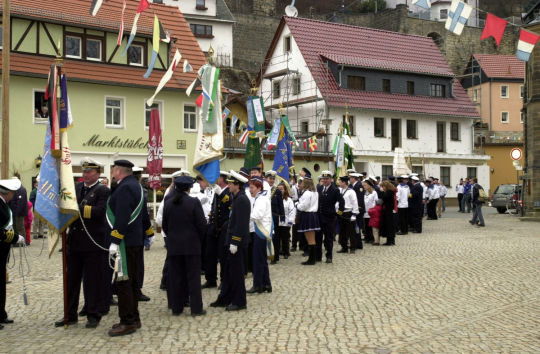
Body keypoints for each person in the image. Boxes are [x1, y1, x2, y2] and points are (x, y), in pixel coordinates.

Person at [54, 158, 111, 329]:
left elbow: (100, 212)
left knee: (92, 281)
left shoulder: (103, 191)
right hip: (75, 243)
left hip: (93, 243)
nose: (85, 175)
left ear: (97, 174)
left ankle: (93, 314)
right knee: (71, 281)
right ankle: (70, 315)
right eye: (84, 172)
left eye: (89, 172)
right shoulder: (76, 188)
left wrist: (76, 209)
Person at [106, 160, 153, 337]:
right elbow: (143, 214)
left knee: (123, 281)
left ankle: (127, 321)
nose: (111, 172)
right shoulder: (135, 185)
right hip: (134, 241)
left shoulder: (125, 188)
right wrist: (148, 232)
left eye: (113, 169)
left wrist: (115, 240)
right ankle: (134, 317)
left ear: (118, 171)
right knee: (131, 281)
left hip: (124, 243)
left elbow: (123, 215)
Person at [162, 176, 207, 316]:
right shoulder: (193, 202)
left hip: (174, 246)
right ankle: (196, 308)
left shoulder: (168, 202)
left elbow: (165, 225)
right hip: (191, 246)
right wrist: (198, 239)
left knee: (175, 277)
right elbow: (201, 225)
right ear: (189, 188)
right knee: (193, 278)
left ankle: (176, 308)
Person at [210, 170, 250, 311]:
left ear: (237, 185)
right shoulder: (236, 197)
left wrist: (235, 241)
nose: (229, 185)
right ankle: (225, 298)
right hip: (230, 241)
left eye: (231, 183)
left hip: (236, 243)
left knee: (236, 273)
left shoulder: (242, 200)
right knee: (227, 271)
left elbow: (241, 223)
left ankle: (239, 301)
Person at [0, 178, 26, 329]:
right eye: (13, 194)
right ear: (8, 193)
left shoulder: (4, 204)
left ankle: (1, 314)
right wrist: (16, 237)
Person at [203, 171, 231, 289]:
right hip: (214, 226)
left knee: (223, 256)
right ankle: (211, 279)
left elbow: (230, 203)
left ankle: (224, 280)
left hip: (223, 227)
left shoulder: (228, 191)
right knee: (210, 254)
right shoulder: (216, 191)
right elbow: (214, 207)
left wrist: (221, 194)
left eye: (217, 177)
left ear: (221, 179)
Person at [247, 176, 273, 294]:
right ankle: (266, 284)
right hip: (262, 231)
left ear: (258, 188)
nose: (250, 190)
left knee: (258, 260)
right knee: (262, 259)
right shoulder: (260, 198)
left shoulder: (261, 199)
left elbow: (257, 215)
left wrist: (244, 215)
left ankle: (258, 285)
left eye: (252, 187)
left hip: (261, 232)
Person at [316, 170, 344, 263]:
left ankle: (329, 256)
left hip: (329, 218)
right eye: (323, 179)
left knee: (328, 238)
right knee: (318, 238)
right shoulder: (319, 188)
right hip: (319, 217)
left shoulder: (335, 189)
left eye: (327, 179)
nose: (324, 180)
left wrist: (339, 213)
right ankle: (318, 256)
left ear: (331, 179)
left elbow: (342, 202)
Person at [296, 173, 320, 265]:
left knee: (310, 239)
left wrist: (297, 205)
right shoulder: (315, 192)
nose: (300, 184)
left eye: (301, 183)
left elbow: (303, 206)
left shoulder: (307, 193)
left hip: (307, 215)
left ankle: (311, 259)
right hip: (313, 215)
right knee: (311, 238)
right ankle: (312, 258)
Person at [265, 170, 284, 264]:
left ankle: (275, 257)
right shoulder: (263, 190)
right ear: (266, 179)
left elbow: (281, 205)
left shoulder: (277, 191)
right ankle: (266, 255)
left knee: (275, 238)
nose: (271, 180)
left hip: (274, 217)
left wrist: (282, 215)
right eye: (270, 178)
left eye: (273, 179)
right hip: (265, 217)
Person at [336, 176, 359, 254]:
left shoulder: (351, 191)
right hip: (341, 212)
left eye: (340, 182)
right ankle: (344, 247)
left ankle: (352, 247)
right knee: (342, 231)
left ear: (344, 183)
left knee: (351, 231)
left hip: (349, 212)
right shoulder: (340, 190)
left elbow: (354, 203)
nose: (339, 183)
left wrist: (354, 214)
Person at [8, 174, 27, 245]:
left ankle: (22, 242)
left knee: (20, 227)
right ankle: (17, 241)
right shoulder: (14, 189)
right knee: (15, 227)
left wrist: (17, 213)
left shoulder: (21, 189)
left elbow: (21, 203)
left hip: (19, 213)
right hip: (14, 212)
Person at [277, 183, 295, 259]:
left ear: (285, 190)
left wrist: (290, 221)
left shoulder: (288, 200)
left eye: (281, 189)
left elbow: (292, 211)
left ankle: (286, 252)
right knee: (277, 238)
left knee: (285, 238)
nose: (280, 191)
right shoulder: (275, 199)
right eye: (278, 189)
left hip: (285, 222)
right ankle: (277, 252)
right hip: (277, 222)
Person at [349, 173, 365, 250]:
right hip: (354, 209)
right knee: (354, 227)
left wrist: (357, 206)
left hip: (359, 209)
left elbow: (360, 198)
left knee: (357, 226)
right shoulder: (352, 186)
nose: (349, 179)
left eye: (350, 178)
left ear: (353, 178)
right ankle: (356, 242)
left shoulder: (359, 185)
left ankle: (358, 244)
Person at [379, 181, 396, 246]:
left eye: (383, 186)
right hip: (387, 211)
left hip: (388, 211)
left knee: (389, 226)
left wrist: (382, 192)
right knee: (389, 226)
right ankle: (390, 240)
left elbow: (383, 198)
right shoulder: (389, 192)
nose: (382, 188)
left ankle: (390, 241)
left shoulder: (389, 192)